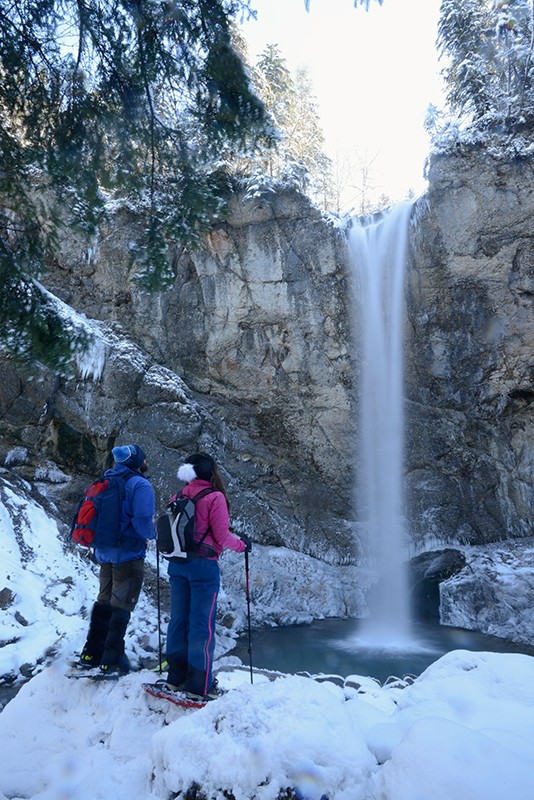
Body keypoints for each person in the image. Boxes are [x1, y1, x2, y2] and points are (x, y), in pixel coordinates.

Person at [159, 452, 251, 701]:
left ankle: (175, 677)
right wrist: (243, 545)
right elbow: (222, 537)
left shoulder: (177, 496)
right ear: (210, 471)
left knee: (178, 620)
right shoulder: (214, 497)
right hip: (203, 568)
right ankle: (199, 683)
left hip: (177, 565)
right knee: (202, 625)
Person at [78, 443, 156, 675]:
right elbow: (142, 519)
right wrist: (153, 534)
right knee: (122, 603)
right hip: (128, 554)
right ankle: (111, 657)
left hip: (104, 552)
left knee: (104, 601)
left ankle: (91, 652)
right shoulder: (140, 484)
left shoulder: (107, 480)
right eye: (144, 458)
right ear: (137, 462)